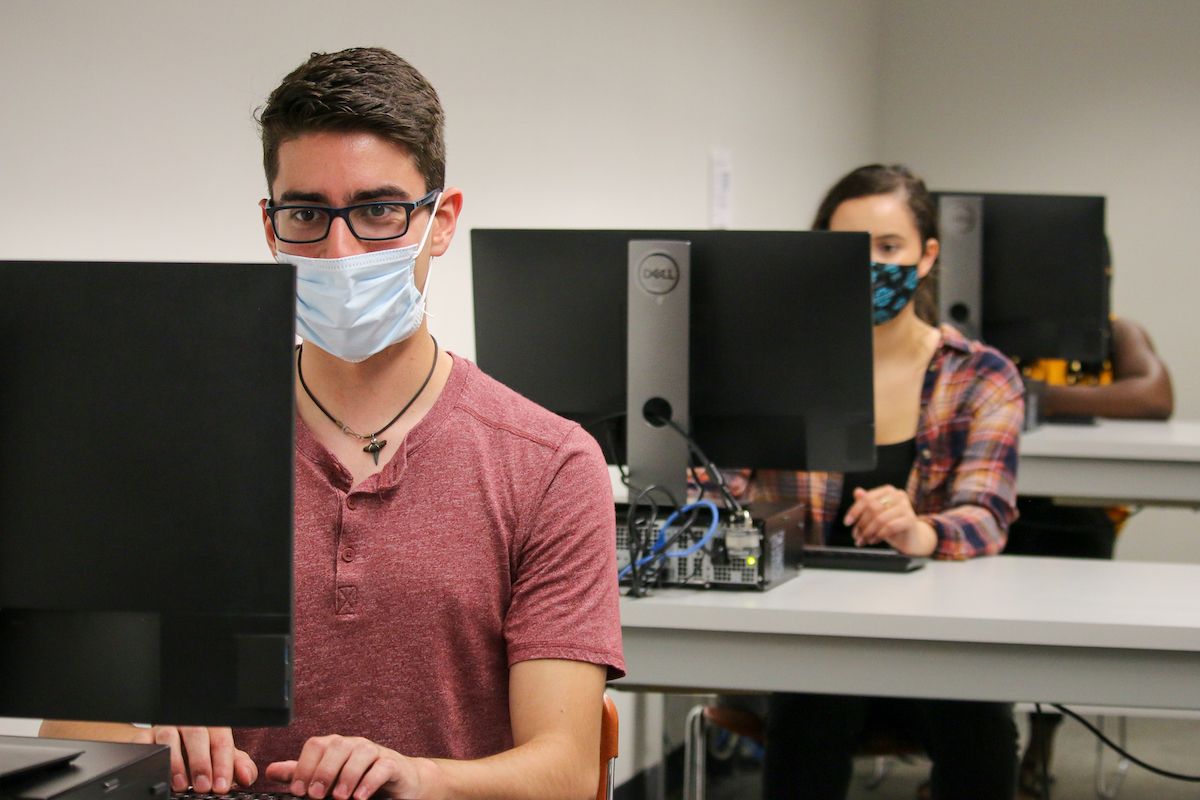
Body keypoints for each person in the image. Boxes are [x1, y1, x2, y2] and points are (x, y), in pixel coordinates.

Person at [41, 47, 623, 800]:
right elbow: (66, 735)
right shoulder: (174, 442)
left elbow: (568, 771)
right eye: (308, 214)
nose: (341, 250)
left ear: (440, 221)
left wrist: (420, 778)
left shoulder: (548, 463)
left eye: (378, 210)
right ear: (270, 225)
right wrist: (142, 730)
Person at [743, 164, 1025, 800]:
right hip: (809, 633)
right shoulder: (773, 364)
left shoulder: (982, 376)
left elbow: (987, 513)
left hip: (938, 638)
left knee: (980, 731)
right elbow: (714, 487)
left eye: (889, 248)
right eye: (848, 249)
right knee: (809, 723)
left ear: (927, 256)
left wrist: (922, 530)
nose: (868, 265)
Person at [1005, 315, 1173, 799]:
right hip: (988, 497)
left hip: (1074, 514)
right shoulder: (966, 323)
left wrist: (1022, 392)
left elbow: (1152, 398)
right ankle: (971, 746)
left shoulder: (1115, 331)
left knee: (1067, 566)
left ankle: (1038, 748)